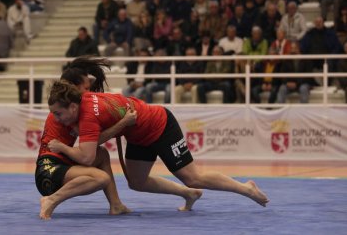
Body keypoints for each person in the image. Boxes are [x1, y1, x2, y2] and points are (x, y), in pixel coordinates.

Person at [45, 81, 269, 217]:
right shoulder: (82, 100)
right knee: (137, 183)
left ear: (73, 106)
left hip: (160, 125)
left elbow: (86, 157)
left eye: (58, 113)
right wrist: (120, 125)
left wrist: (62, 146)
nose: (57, 119)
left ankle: (246, 188)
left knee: (193, 177)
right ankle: (188, 195)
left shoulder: (87, 117)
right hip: (138, 135)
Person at [36, 57, 132, 219]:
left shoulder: (72, 109)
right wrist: (122, 123)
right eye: (86, 89)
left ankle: (116, 204)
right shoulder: (66, 113)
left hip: (61, 162)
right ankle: (51, 200)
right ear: (74, 89)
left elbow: (94, 142)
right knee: (101, 178)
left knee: (101, 154)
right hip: (48, 171)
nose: (89, 93)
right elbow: (89, 153)